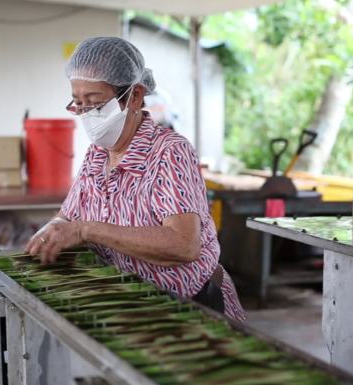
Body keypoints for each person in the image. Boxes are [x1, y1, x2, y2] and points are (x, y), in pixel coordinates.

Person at [25, 37, 246, 322]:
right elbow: (69, 217)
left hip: (190, 311)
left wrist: (85, 231)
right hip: (134, 310)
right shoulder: (97, 154)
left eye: (96, 103)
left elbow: (184, 245)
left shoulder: (168, 153)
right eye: (79, 104)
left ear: (135, 96)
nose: (87, 115)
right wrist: (52, 232)